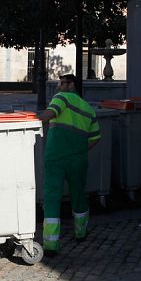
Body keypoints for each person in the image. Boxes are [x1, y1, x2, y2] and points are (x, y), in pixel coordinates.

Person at [37, 74, 100, 256]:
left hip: (56, 158)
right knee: (79, 195)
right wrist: (79, 149)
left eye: (61, 83)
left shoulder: (62, 98)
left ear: (71, 84)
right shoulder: (89, 109)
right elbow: (96, 137)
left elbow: (50, 114)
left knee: (51, 198)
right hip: (78, 159)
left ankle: (51, 245)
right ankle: (81, 233)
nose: (58, 87)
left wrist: (32, 120)